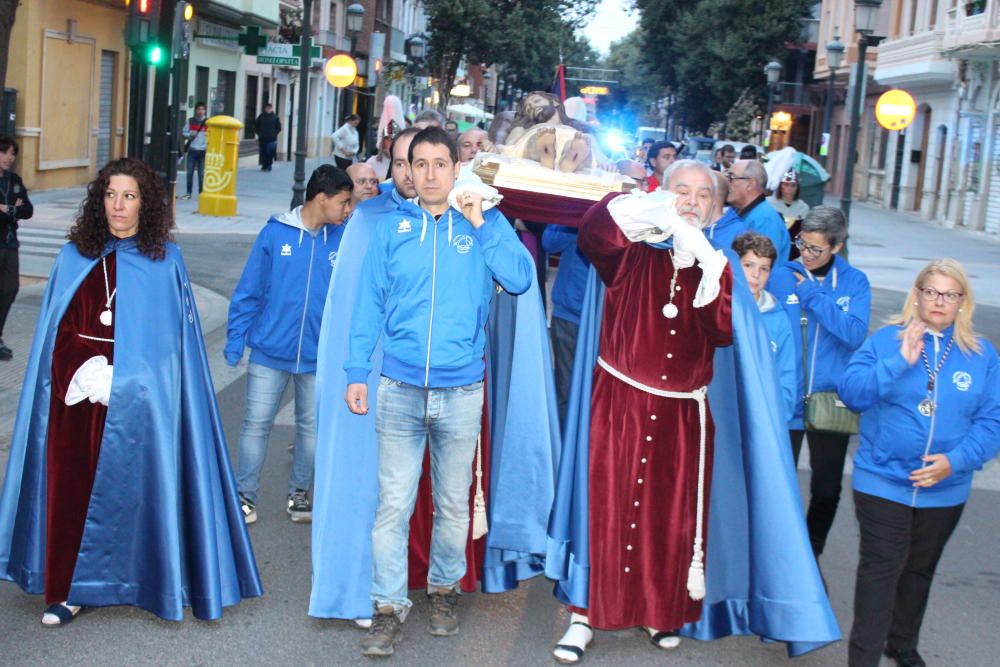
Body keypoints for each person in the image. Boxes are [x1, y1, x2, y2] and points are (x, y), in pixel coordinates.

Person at [546, 160, 840, 662]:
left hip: (683, 415)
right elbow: (595, 233)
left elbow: (722, 330)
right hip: (620, 404)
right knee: (606, 508)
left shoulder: (718, 263)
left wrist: (705, 261)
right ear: (662, 194)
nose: (691, 200)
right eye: (681, 190)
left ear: (717, 209)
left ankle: (660, 612)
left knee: (673, 517)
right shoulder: (631, 248)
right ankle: (584, 615)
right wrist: (644, 207)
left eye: (703, 195)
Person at [0, 158, 262, 625]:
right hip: (77, 398)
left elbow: (172, 349)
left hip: (141, 403)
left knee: (138, 492)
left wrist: (126, 379)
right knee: (72, 493)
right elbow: (50, 336)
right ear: (98, 200)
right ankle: (67, 590)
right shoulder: (72, 256)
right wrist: (76, 375)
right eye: (110, 195)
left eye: (129, 196)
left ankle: (147, 582)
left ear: (146, 203)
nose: (118, 206)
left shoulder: (165, 260)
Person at [343, 127, 534, 655]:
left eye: (440, 164)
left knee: (451, 504)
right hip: (399, 386)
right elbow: (369, 304)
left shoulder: (485, 221)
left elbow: (519, 278)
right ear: (408, 169)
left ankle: (444, 590)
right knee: (393, 505)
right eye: (419, 164)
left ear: (456, 168)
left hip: (461, 388)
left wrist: (481, 222)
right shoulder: (391, 227)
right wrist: (356, 371)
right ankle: (386, 606)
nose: (429, 174)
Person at [838, 259, 1000, 667]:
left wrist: (957, 461)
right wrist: (898, 362)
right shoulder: (885, 340)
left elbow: (992, 419)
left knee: (919, 571)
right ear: (917, 295)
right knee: (880, 572)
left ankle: (902, 644)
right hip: (882, 481)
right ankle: (864, 658)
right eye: (931, 291)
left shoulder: (981, 355)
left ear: (963, 301)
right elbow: (853, 392)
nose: (939, 301)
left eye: (950, 294)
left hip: (946, 488)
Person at [225, 165, 354, 525]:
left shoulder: (342, 240)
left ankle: (299, 494)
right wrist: (236, 339)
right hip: (269, 352)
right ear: (321, 199)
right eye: (343, 203)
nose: (347, 211)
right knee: (256, 424)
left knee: (310, 428)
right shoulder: (274, 234)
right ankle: (244, 495)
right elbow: (249, 290)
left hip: (318, 357)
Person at [769, 206, 871, 561]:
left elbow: (854, 334)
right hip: (787, 399)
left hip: (830, 403)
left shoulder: (855, 282)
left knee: (827, 489)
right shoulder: (781, 276)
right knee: (779, 485)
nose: (806, 255)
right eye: (802, 244)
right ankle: (779, 557)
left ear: (837, 247)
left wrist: (813, 297)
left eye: (816, 249)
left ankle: (811, 555)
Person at [732, 231, 796, 426]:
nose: (756, 275)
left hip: (762, 422)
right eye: (748, 265)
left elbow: (786, 375)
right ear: (734, 265)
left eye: (764, 269)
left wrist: (777, 418)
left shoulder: (779, 319)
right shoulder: (719, 309)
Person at [541, 224, 589, 424]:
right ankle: (563, 451)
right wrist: (574, 219)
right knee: (565, 391)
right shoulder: (574, 215)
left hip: (607, 321)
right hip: (568, 316)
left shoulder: (624, 211)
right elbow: (549, 242)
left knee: (598, 392)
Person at [0, 135, 32, 361]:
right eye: (4, 152)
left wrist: (7, 209)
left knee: (9, 289)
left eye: (12, 153)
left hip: (10, 244)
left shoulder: (15, 180)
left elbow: (28, 210)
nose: (9, 158)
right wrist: (14, 208)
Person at [726, 158, 790, 262]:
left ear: (750, 184)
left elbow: (761, 270)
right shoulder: (740, 211)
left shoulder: (766, 220)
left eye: (731, 177)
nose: (727, 183)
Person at [767, 168, 810, 258]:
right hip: (771, 249)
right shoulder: (768, 203)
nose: (789, 189)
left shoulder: (803, 208)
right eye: (786, 185)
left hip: (794, 253)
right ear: (780, 186)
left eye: (793, 185)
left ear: (797, 187)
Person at [703, 170, 746, 251]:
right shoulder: (692, 226)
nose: (693, 201)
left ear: (714, 197)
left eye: (701, 195)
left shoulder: (739, 233)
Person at [182, 102, 208, 199]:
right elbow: (184, 132)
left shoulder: (208, 122)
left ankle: (201, 193)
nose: (200, 111)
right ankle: (189, 192)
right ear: (196, 110)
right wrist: (189, 136)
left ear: (205, 111)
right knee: (189, 172)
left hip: (203, 150)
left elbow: (211, 135)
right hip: (192, 150)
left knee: (201, 173)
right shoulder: (190, 121)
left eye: (202, 109)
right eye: (199, 109)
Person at [253, 103, 282, 172]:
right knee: (263, 152)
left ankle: (269, 165)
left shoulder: (275, 117)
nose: (268, 110)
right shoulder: (261, 116)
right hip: (263, 138)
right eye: (267, 108)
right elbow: (256, 126)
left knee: (270, 152)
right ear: (265, 109)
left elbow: (279, 128)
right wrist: (259, 133)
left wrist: (274, 133)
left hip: (272, 139)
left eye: (269, 108)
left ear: (272, 109)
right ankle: (264, 165)